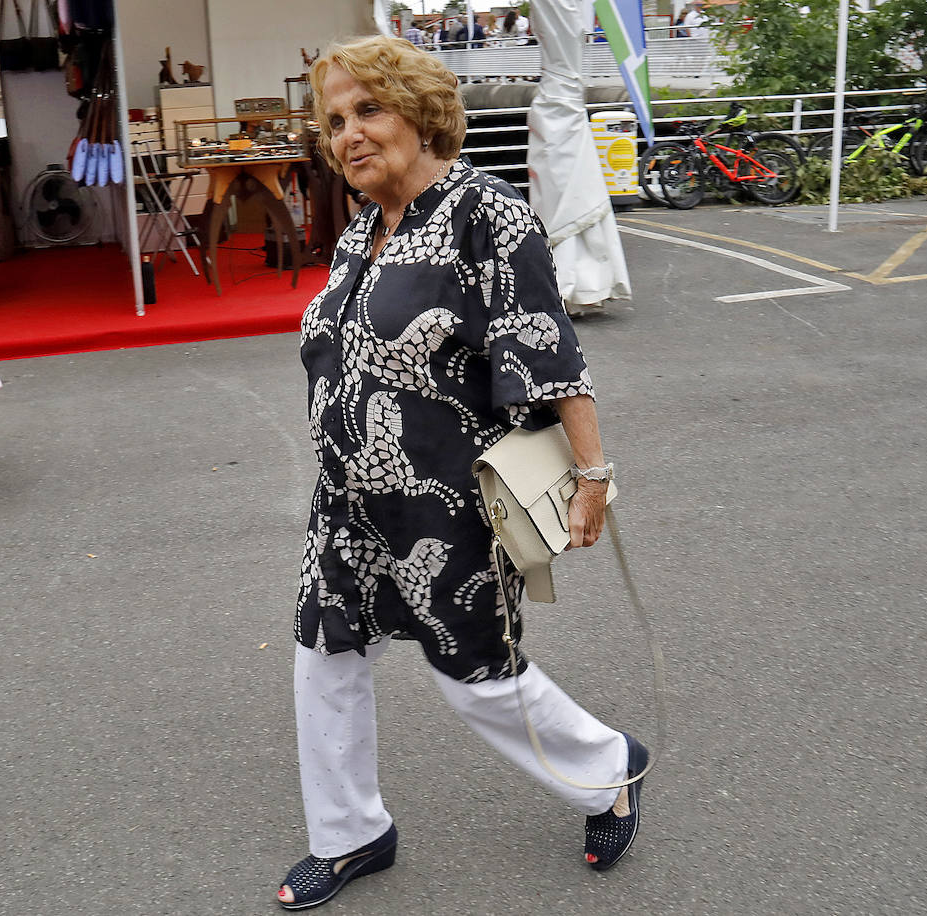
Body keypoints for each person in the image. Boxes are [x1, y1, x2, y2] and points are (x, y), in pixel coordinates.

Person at [277, 34, 649, 911]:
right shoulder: (362, 231)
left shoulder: (487, 213)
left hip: (447, 506)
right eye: (335, 121)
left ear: (421, 110)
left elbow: (548, 351)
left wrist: (592, 472)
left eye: (368, 109)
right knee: (322, 654)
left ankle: (607, 770)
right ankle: (350, 832)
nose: (349, 135)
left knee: (476, 673)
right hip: (346, 501)